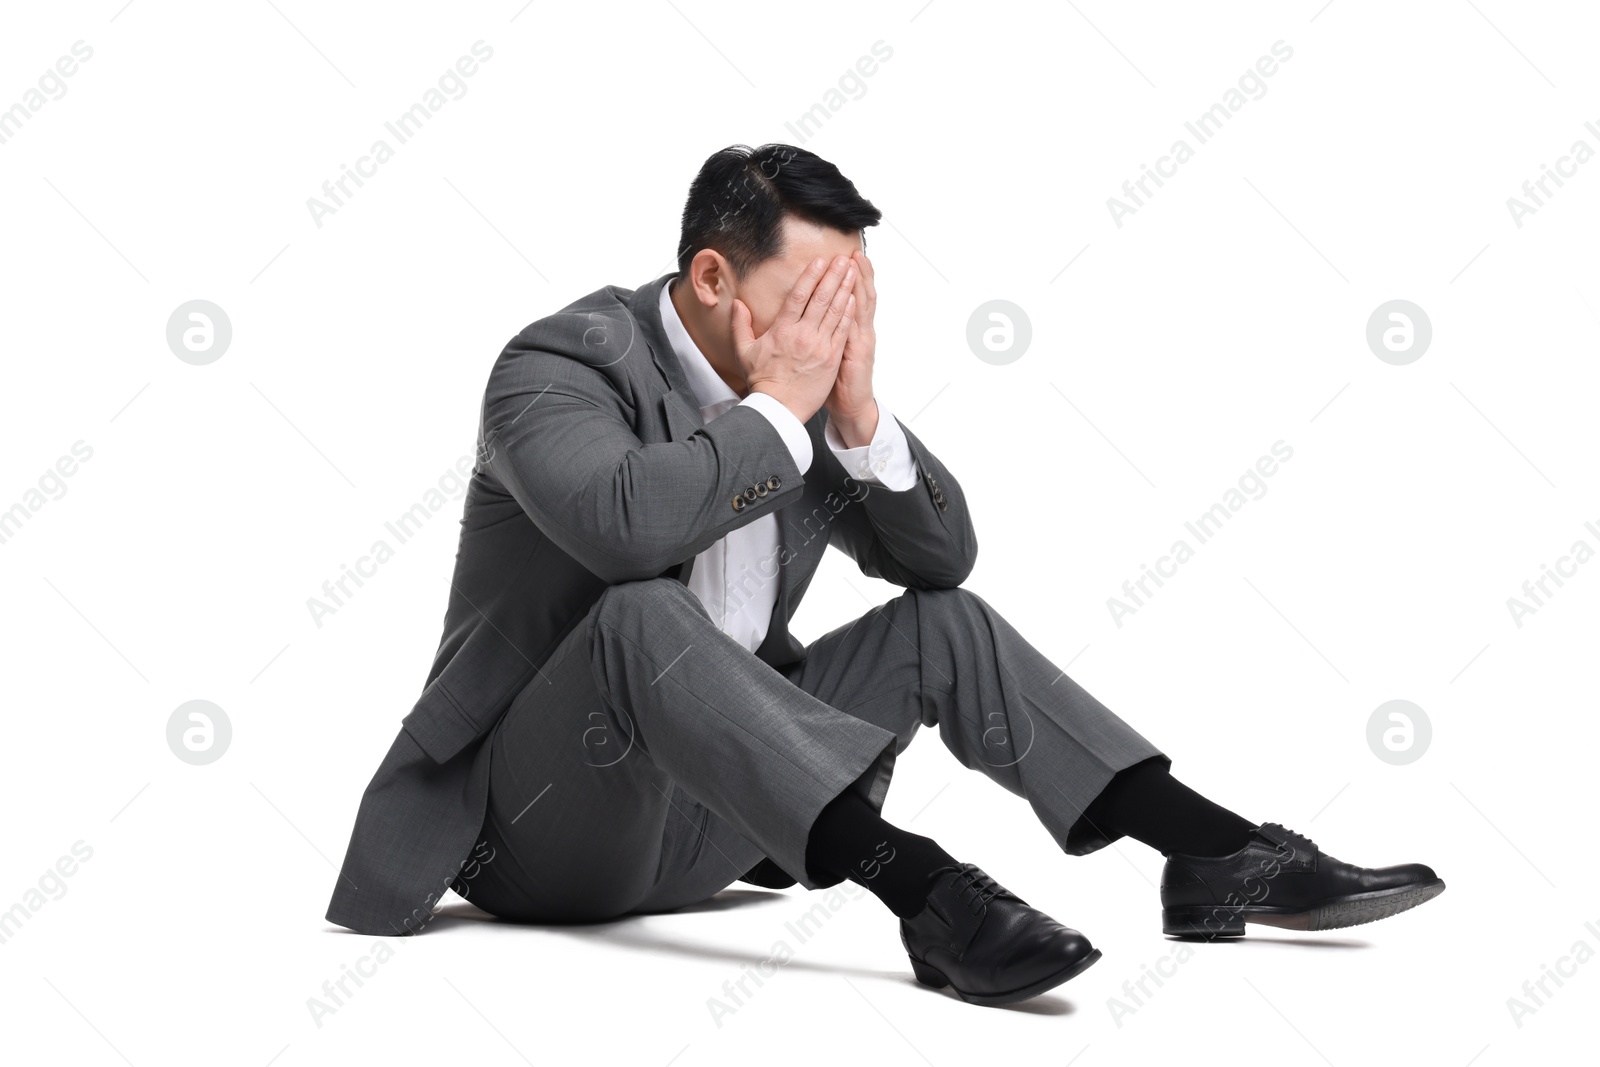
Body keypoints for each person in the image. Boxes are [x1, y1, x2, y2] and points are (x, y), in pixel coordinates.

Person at [326, 143, 1444, 1006]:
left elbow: (939, 558)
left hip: (722, 823)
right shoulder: (557, 365)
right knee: (640, 612)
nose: (834, 330)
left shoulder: (809, 400)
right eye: (815, 299)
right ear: (712, 278)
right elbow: (624, 529)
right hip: (544, 830)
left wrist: (855, 416)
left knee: (939, 622)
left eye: (852, 300)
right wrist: (780, 412)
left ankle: (1214, 853)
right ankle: (928, 892)